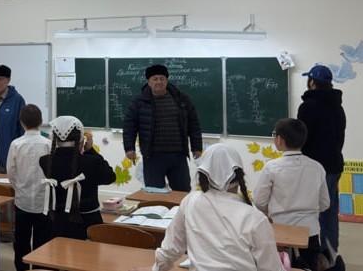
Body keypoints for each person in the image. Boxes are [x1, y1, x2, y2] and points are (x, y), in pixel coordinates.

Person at [132, 143, 285, 271]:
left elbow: (170, 250)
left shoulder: (191, 201)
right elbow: (271, 268)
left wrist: (155, 268)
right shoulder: (255, 217)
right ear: (240, 176)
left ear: (203, 174)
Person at [253, 118, 330, 270]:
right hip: (310, 231)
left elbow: (259, 201)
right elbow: (325, 203)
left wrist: (270, 213)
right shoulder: (317, 167)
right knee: (310, 266)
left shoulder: (272, 167)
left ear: (280, 140)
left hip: (279, 230)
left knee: (279, 266)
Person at [122, 64, 202, 192]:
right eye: (155, 79)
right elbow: (129, 125)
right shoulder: (139, 101)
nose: (159, 82)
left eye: (162, 78)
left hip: (178, 155)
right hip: (153, 156)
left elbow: (194, 124)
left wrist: (196, 147)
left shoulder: (181, 99)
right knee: (154, 193)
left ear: (166, 80)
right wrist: (129, 148)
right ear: (148, 82)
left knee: (182, 192)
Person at [39, 115, 116, 240]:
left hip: (57, 225)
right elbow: (110, 177)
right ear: (82, 139)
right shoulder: (92, 162)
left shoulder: (45, 161)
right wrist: (91, 150)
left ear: (55, 139)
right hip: (88, 225)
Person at [297, 64, 346, 253]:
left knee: (314, 211)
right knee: (330, 210)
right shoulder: (338, 107)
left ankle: (318, 255)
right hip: (335, 165)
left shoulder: (308, 106)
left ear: (312, 82)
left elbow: (302, 138)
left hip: (315, 168)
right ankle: (331, 253)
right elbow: (339, 138)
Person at [6, 104, 52, 271]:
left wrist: (18, 186)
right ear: (41, 121)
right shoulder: (49, 144)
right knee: (42, 240)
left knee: (22, 240)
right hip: (43, 201)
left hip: (22, 200)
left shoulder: (16, 144)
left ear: (21, 123)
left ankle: (21, 268)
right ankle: (39, 268)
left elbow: (11, 172)